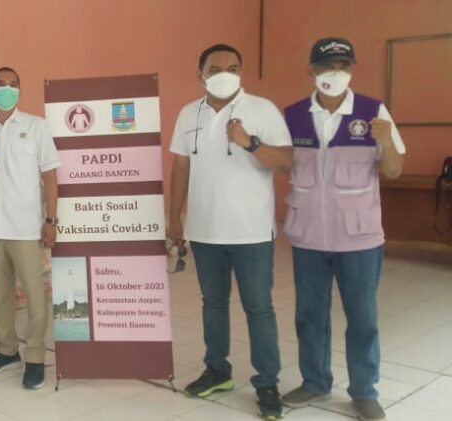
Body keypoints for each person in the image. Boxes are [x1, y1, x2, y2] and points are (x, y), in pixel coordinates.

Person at [280, 38, 405, 421]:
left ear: (351, 69)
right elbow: (283, 163)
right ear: (312, 70)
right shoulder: (293, 115)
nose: (335, 73)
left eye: (343, 66)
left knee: (362, 318)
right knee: (309, 315)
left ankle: (364, 391)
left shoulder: (372, 111)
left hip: (359, 238)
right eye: (326, 66)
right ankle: (315, 382)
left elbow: (394, 170)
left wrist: (385, 140)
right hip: (308, 235)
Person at [166, 44, 292, 420]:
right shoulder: (188, 113)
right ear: (200, 74)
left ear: (241, 71)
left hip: (251, 233)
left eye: (232, 68)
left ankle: (267, 383)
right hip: (204, 231)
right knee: (213, 303)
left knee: (259, 308)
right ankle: (217, 371)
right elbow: (181, 167)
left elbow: (287, 162)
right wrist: (174, 217)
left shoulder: (262, 109)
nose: (224, 74)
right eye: (215, 68)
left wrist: (249, 142)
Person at [0, 67, 61, 390]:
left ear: (20, 89)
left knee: (34, 296)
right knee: (1, 295)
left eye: (13, 84)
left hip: (26, 227)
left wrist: (51, 220)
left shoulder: (36, 126)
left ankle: (35, 358)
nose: (7, 89)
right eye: (1, 84)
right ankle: (6, 351)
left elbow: (50, 176)